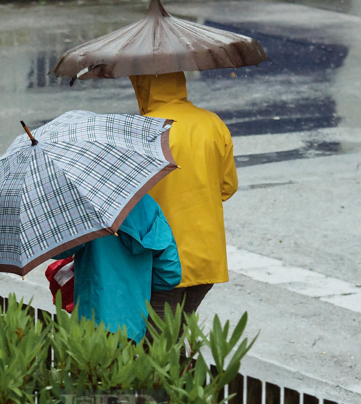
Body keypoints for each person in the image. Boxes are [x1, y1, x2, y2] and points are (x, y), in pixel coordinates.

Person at [130, 72, 238, 319]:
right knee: (177, 331)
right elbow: (228, 186)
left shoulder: (143, 130)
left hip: (162, 256)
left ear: (143, 85)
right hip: (206, 255)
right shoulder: (212, 123)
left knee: (158, 340)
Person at [53, 194, 181, 343]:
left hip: (94, 317)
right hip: (134, 322)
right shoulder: (148, 205)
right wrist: (138, 285)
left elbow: (60, 250)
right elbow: (170, 274)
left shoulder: (86, 207)